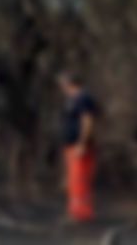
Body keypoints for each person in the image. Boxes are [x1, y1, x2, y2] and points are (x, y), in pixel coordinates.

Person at [58, 71, 97, 223]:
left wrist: (82, 143)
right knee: (73, 180)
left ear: (70, 83)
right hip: (70, 144)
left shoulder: (83, 98)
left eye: (63, 83)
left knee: (79, 179)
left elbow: (87, 121)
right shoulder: (71, 99)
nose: (62, 87)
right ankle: (75, 211)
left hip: (79, 146)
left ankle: (82, 214)